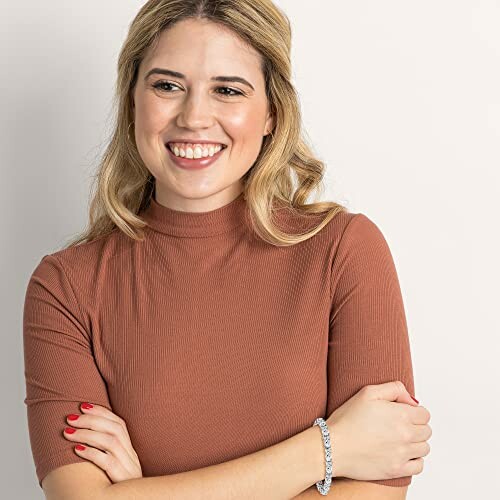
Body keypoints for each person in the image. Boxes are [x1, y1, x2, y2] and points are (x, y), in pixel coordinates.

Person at [22, 1, 431, 498]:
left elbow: (377, 492)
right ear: (133, 101)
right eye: (167, 86)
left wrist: (147, 492)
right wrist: (328, 449)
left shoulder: (343, 251)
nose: (195, 117)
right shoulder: (66, 287)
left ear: (270, 114)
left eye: (228, 90)